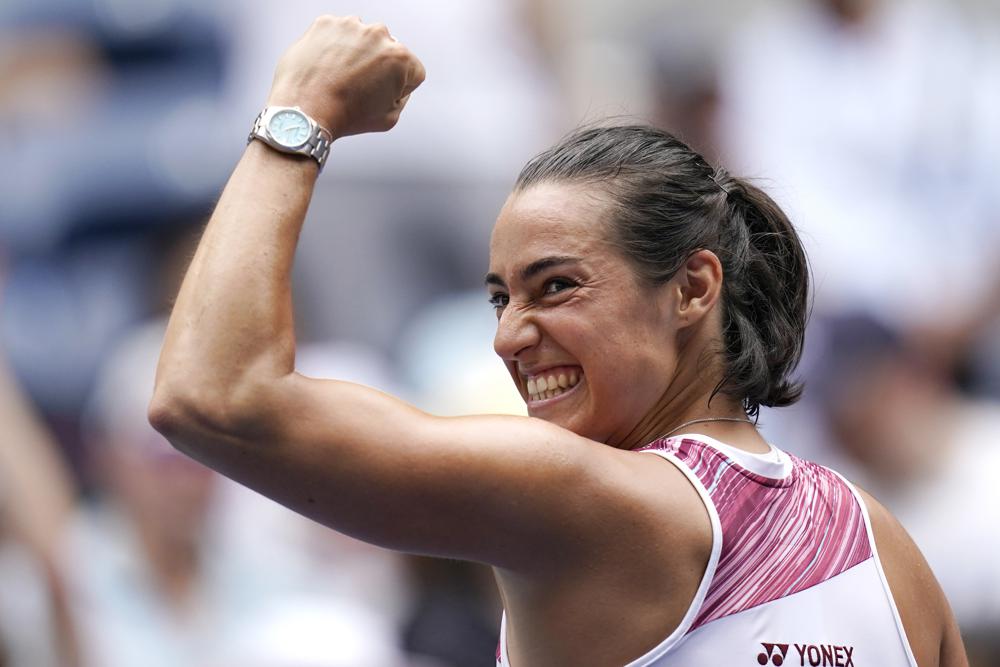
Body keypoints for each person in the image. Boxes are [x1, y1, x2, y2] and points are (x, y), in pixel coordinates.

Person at [148, 15, 968, 666]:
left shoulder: (589, 498)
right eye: (501, 297)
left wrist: (301, 107)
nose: (508, 335)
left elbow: (212, 393)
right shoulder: (886, 546)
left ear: (692, 288)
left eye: (556, 286)